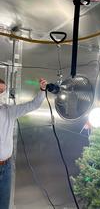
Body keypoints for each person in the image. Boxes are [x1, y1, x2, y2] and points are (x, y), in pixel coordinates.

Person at [0, 78, 47, 209]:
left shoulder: (9, 111)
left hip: (6, 166)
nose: (1, 94)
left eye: (3, 91)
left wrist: (42, 89)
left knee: (3, 203)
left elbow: (33, 105)